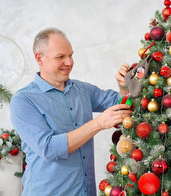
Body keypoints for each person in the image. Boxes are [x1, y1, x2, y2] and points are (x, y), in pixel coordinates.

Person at [10, 28, 132, 196]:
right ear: (40, 58)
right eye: (60, 57)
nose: (69, 62)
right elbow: (49, 148)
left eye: (71, 55)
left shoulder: (83, 89)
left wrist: (123, 86)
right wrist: (98, 124)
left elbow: (121, 104)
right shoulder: (23, 100)